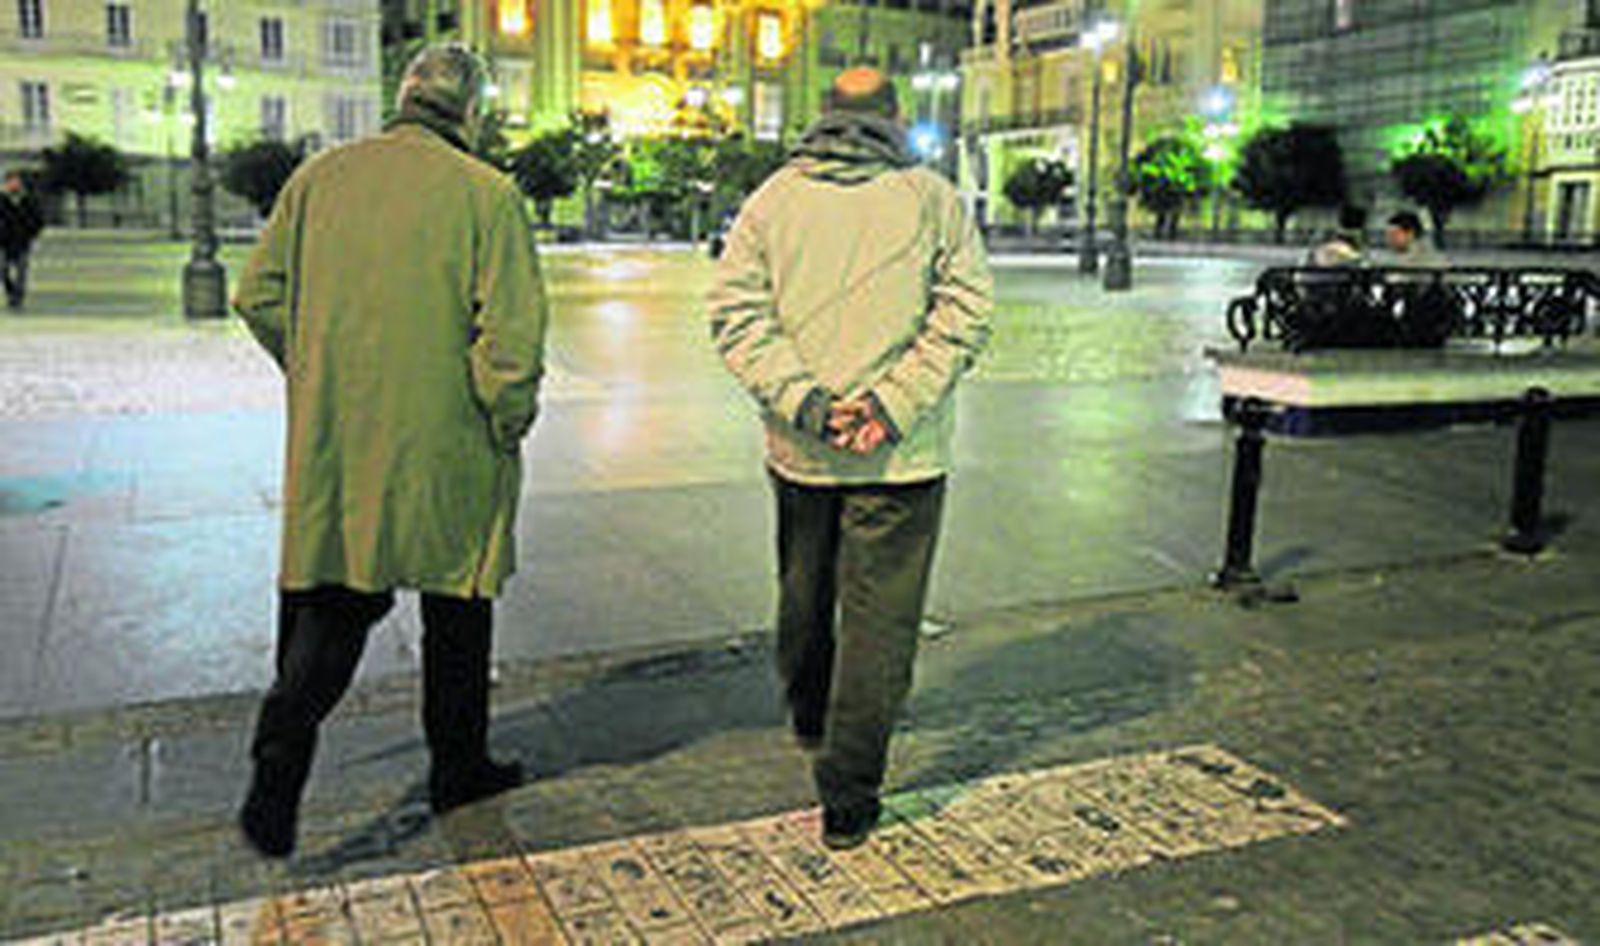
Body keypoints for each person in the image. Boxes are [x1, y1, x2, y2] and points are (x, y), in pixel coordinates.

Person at [232, 44, 549, 858]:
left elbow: (256, 293)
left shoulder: (319, 179)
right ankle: (458, 767)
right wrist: (507, 418)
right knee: (458, 610)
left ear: (403, 97)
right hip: (449, 439)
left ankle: (282, 745)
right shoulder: (487, 194)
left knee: (340, 597)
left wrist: (316, 367)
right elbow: (511, 346)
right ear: (471, 112)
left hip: (341, 433)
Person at [709, 67, 993, 850]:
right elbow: (966, 313)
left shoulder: (771, 201)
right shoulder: (934, 200)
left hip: (801, 448)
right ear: (896, 116)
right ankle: (849, 791)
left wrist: (806, 402)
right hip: (901, 456)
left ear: (823, 114)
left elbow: (735, 316)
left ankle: (810, 713)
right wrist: (890, 406)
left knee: (803, 588)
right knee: (881, 622)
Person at [0, 170, 45, 310]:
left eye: (16, 181)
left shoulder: (28, 200)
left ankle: (17, 298)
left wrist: (31, 234)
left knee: (21, 271)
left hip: (22, 241)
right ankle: (11, 290)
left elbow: (38, 219)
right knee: (2, 269)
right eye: (11, 182)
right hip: (3, 242)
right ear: (6, 183)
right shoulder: (1, 200)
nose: (14, 184)